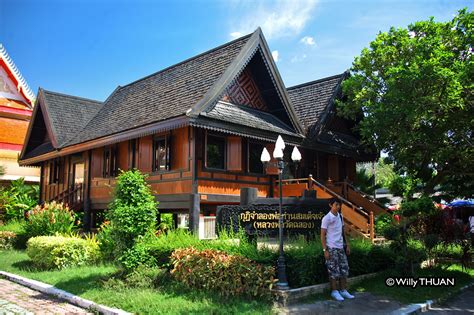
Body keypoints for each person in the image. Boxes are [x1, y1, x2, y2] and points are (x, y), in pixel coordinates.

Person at [321, 198, 354, 301]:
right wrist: (325, 250)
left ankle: (343, 290)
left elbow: (343, 231)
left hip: (340, 247)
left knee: (344, 269)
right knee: (333, 271)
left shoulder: (340, 216)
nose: (338, 207)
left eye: (339, 205)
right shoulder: (326, 218)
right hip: (331, 247)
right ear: (331, 205)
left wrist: (347, 244)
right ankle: (334, 292)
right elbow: (322, 235)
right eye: (336, 205)